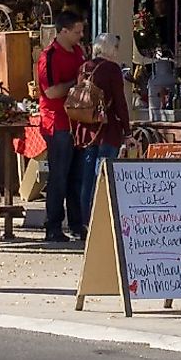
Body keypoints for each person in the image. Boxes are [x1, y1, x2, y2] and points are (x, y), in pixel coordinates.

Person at [35, 11, 91, 245]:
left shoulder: (78, 51)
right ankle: (53, 225)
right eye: (76, 32)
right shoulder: (48, 57)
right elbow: (50, 92)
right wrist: (77, 84)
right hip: (57, 121)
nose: (81, 36)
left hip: (77, 120)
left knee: (77, 176)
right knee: (59, 176)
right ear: (63, 31)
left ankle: (78, 224)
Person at [73, 34, 133, 223]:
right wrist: (127, 131)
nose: (117, 51)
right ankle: (100, 220)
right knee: (103, 177)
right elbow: (120, 103)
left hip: (86, 130)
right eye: (116, 47)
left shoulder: (84, 67)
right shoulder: (112, 69)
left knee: (87, 178)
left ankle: (84, 221)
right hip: (107, 130)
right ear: (109, 49)